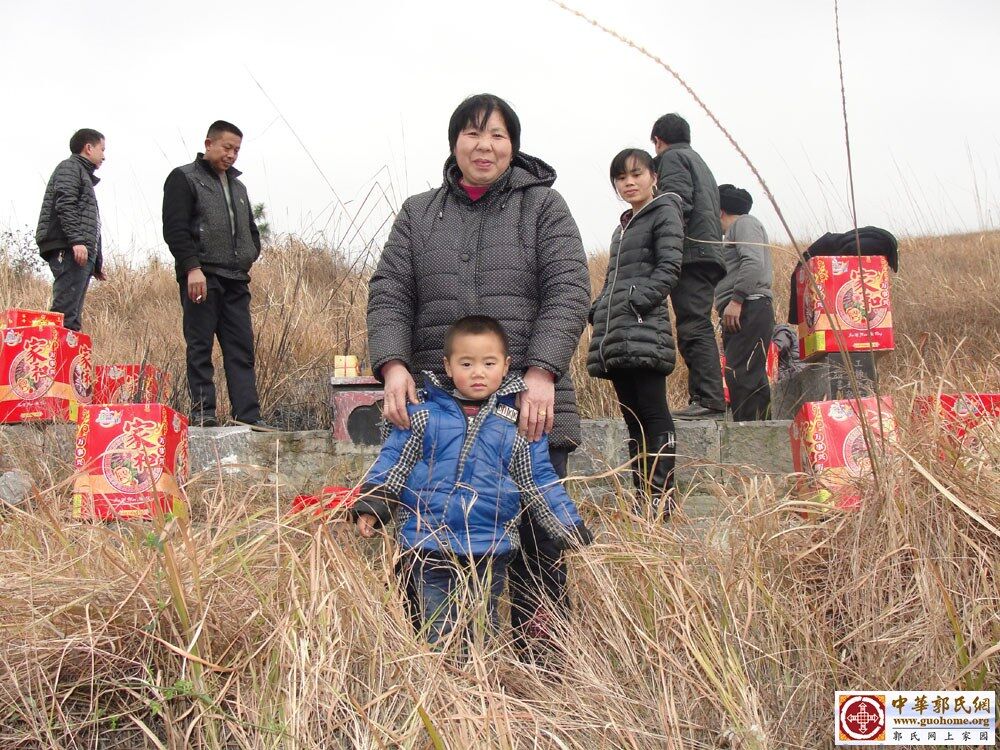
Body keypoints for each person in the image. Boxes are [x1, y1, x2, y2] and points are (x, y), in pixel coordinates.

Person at [366, 93, 591, 652]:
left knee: (538, 549)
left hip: (527, 410)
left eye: (497, 135)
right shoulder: (419, 214)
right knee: (427, 545)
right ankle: (438, 668)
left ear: (513, 145)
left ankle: (541, 668)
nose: (484, 145)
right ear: (454, 143)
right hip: (435, 413)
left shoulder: (544, 207)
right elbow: (389, 293)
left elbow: (568, 289)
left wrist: (542, 371)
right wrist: (393, 366)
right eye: (472, 133)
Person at [353, 316, 592, 645]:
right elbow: (393, 462)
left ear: (506, 366)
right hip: (428, 545)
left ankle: (479, 675)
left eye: (488, 363)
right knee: (439, 628)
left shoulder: (516, 426)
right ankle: (443, 674)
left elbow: (538, 481)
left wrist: (567, 525)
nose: (478, 373)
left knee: (482, 628)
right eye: (466, 364)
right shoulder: (423, 415)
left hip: (488, 547)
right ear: (448, 367)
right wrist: (372, 505)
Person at [587, 149, 682, 515]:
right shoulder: (623, 226)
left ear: (653, 176)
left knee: (653, 413)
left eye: (636, 174)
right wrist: (599, 308)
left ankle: (662, 501)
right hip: (618, 332)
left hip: (644, 328)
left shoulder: (664, 212)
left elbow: (669, 268)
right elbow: (614, 277)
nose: (629, 182)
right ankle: (643, 501)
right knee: (633, 420)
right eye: (621, 177)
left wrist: (636, 302)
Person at [162, 120, 269, 429]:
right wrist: (192, 267)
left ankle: (248, 415)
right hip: (202, 276)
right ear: (209, 144)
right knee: (200, 346)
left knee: (241, 348)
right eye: (227, 147)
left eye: (236, 150)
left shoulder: (238, 187)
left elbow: (250, 229)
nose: (231, 155)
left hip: (236, 278)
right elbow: (175, 229)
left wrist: (249, 255)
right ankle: (203, 413)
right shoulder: (184, 178)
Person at [650, 113, 727, 418]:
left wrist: (662, 239)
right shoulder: (698, 161)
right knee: (696, 322)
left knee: (693, 324)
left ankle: (708, 398)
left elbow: (676, 202)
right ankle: (705, 396)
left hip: (692, 254)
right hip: (707, 252)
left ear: (658, 141)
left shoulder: (671, 159)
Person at [35, 128, 107, 331]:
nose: (104, 156)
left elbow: (90, 221)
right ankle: (53, 351)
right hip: (68, 247)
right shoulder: (70, 168)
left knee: (71, 317)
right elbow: (65, 205)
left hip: (79, 250)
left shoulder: (81, 173)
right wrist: (76, 241)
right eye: (102, 149)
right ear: (88, 148)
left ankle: (65, 351)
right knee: (64, 314)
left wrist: (96, 262)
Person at [717, 184, 774, 421]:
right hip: (746, 307)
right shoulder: (738, 230)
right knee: (751, 374)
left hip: (749, 306)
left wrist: (736, 299)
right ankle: (761, 431)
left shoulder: (744, 224)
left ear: (719, 210)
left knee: (741, 374)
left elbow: (752, 262)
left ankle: (746, 432)